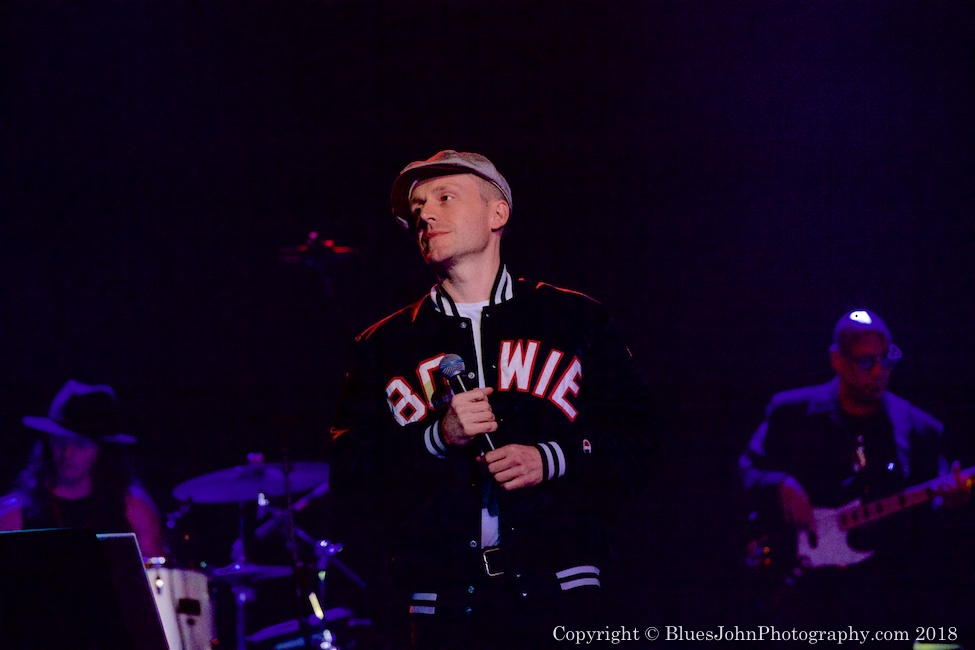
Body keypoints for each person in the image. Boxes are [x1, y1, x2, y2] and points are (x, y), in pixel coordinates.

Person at [329, 150, 658, 649]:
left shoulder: (574, 320)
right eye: (417, 208)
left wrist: (552, 458)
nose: (426, 214)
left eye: (445, 198)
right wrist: (438, 438)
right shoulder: (383, 344)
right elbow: (351, 474)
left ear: (497, 213)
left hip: (562, 592)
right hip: (441, 606)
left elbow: (642, 439)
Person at [739, 309, 970, 633]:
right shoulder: (791, 412)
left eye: (886, 358)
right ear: (837, 360)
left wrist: (951, 503)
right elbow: (745, 472)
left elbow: (931, 520)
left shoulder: (921, 429)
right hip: (805, 598)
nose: (879, 371)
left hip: (884, 603)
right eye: (865, 362)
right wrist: (779, 484)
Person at [0, 379, 166, 558]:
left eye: (80, 443)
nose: (67, 453)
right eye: (59, 441)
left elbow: (154, 578)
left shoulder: (134, 511)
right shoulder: (13, 514)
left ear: (101, 449)